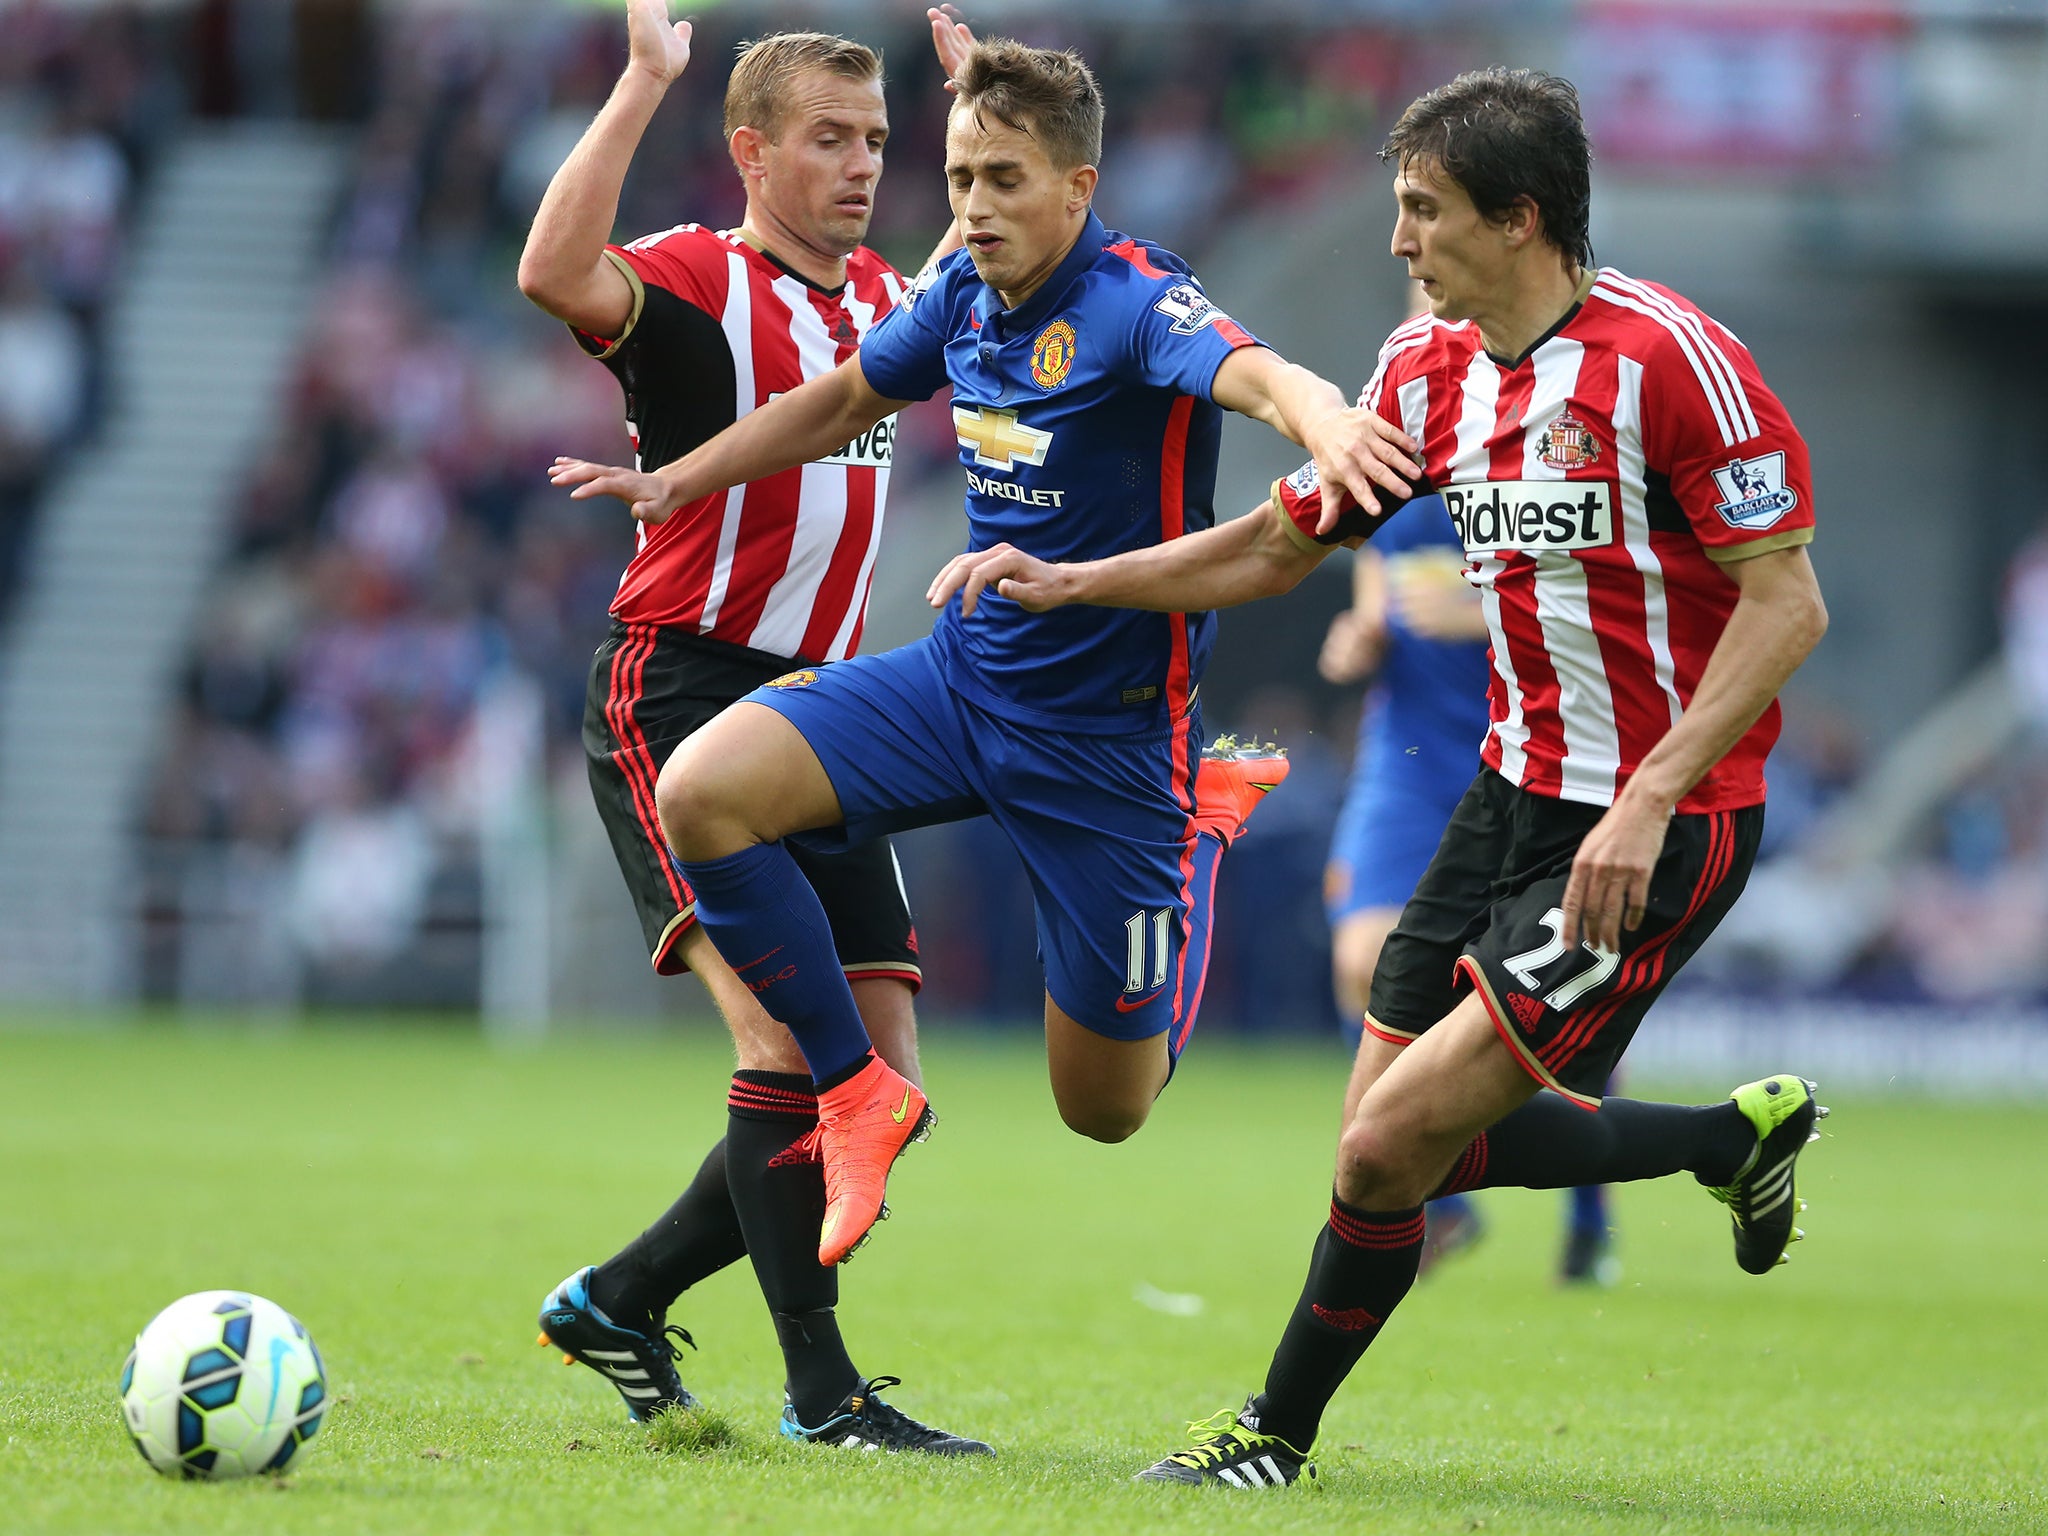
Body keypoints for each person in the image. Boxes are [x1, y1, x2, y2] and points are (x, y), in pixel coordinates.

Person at [929, 66, 1831, 1489]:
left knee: (1381, 1153)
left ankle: (1267, 1443)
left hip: (1659, 822)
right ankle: (1731, 1136)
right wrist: (1081, 582)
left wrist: (1651, 796)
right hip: (1507, 793)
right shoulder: (1427, 372)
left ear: (1521, 218)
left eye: (1423, 210)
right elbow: (1278, 545)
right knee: (1397, 1150)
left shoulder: (1670, 362)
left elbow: (1788, 606)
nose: (1398, 241)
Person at [548, 37, 1422, 1297]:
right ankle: (854, 1094)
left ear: (1078, 186)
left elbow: (1256, 374)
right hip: (958, 684)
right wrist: (680, 477)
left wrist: (1331, 419)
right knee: (701, 790)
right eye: (959, 176)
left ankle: (1197, 838)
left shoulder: (1131, 297)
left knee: (1104, 1109)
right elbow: (842, 397)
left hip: (1107, 745)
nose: (972, 207)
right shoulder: (960, 291)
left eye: (1005, 179)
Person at [518, 1, 990, 1455]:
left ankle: (620, 1297)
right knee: (794, 1054)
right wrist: (645, 73)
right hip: (685, 692)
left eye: (878, 141)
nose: (862, 166)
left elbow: (998, 266)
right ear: (751, 153)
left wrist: (988, 124)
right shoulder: (694, 282)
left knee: (888, 1091)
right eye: (829, 140)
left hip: (825, 715)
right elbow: (550, 270)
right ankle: (822, 1396)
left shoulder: (874, 314)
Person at [1320, 388, 1618, 1287]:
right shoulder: (1396, 477)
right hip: (1408, 760)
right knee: (1360, 957)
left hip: (1534, 756)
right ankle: (1434, 1204)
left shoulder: (1556, 469)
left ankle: (1589, 1214)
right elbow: (1373, 604)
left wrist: (1486, 607)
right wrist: (1357, 639)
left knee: (1559, 995)